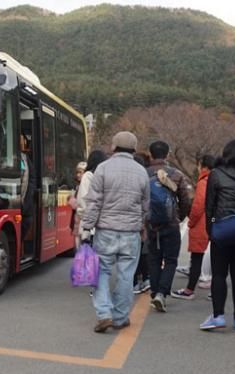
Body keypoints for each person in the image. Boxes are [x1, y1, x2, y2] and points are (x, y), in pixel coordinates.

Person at [80, 131, 149, 333]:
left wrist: (86, 227)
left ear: (113, 147)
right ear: (134, 149)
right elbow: (145, 205)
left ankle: (104, 314)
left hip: (106, 231)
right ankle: (120, 317)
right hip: (131, 233)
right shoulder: (141, 171)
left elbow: (94, 202)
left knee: (101, 273)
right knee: (126, 276)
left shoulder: (103, 168)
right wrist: (142, 225)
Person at [200, 140, 235, 332]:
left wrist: (211, 231)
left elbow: (209, 206)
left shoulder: (216, 174)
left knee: (219, 274)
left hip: (222, 229)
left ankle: (218, 317)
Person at [145, 141, 192, 312]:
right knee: (171, 260)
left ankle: (155, 291)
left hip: (151, 224)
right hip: (171, 223)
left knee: (154, 259)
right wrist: (180, 217)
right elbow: (185, 199)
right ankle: (162, 294)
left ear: (150, 155)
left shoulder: (143, 173)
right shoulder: (176, 174)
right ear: (168, 155)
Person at [172, 154, 215, 299]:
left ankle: (189, 290)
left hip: (202, 223)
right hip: (215, 223)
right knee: (217, 257)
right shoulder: (218, 180)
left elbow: (198, 206)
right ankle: (215, 290)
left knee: (196, 257)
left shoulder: (204, 182)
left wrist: (191, 222)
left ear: (203, 166)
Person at [132, 153, 152, 295]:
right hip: (143, 222)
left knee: (131, 256)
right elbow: (146, 203)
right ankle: (146, 279)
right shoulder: (145, 178)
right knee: (144, 252)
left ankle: (133, 283)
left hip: (126, 223)